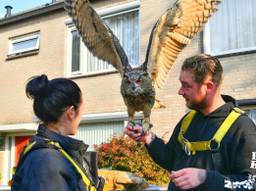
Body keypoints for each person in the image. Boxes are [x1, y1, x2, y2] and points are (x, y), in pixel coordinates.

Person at [125, 54, 256, 191]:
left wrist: (205, 177)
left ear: (209, 87)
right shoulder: (188, 120)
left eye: (186, 86)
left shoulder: (243, 128)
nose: (180, 91)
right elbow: (172, 160)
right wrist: (148, 138)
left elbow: (250, 184)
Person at [11, 74, 104, 191]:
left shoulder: (53, 154)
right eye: (82, 111)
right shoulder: (47, 161)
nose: (82, 117)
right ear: (71, 112)